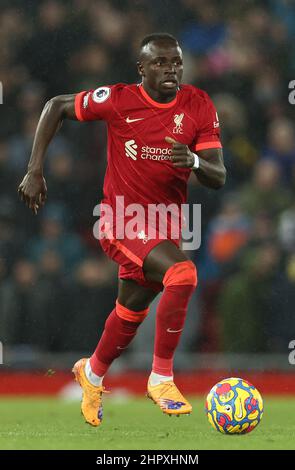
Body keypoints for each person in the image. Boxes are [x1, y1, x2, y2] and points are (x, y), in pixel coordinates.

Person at [18, 33, 226, 426]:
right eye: (161, 63)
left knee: (130, 311)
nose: (171, 70)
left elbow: (218, 175)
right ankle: (162, 377)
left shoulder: (198, 105)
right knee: (183, 275)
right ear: (141, 70)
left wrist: (196, 162)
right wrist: (34, 169)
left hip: (167, 226)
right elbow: (56, 105)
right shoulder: (118, 99)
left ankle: (92, 373)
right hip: (121, 220)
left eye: (176, 62)